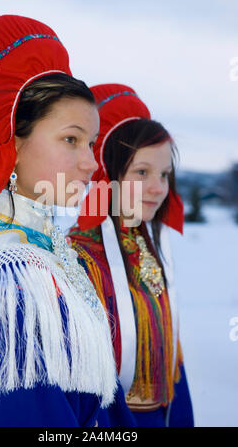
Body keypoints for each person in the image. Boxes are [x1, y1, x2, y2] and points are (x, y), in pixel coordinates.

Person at [0, 15, 117, 427]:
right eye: (70, 140)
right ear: (13, 144)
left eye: (90, 142)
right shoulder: (8, 275)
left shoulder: (40, 249)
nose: (91, 163)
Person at [68, 83, 194, 427]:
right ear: (107, 175)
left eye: (165, 174)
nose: (159, 188)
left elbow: (172, 366)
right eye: (142, 172)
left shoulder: (148, 250)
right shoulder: (81, 260)